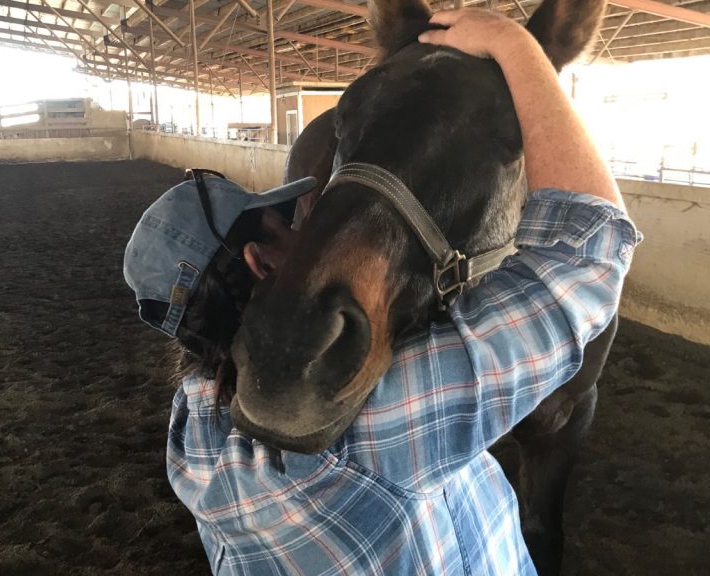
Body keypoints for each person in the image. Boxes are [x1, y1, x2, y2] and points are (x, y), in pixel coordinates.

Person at [123, 9, 641, 576]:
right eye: (290, 225)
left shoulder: (191, 433)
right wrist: (516, 45)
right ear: (261, 260)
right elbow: (587, 257)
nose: (310, 229)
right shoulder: (390, 429)